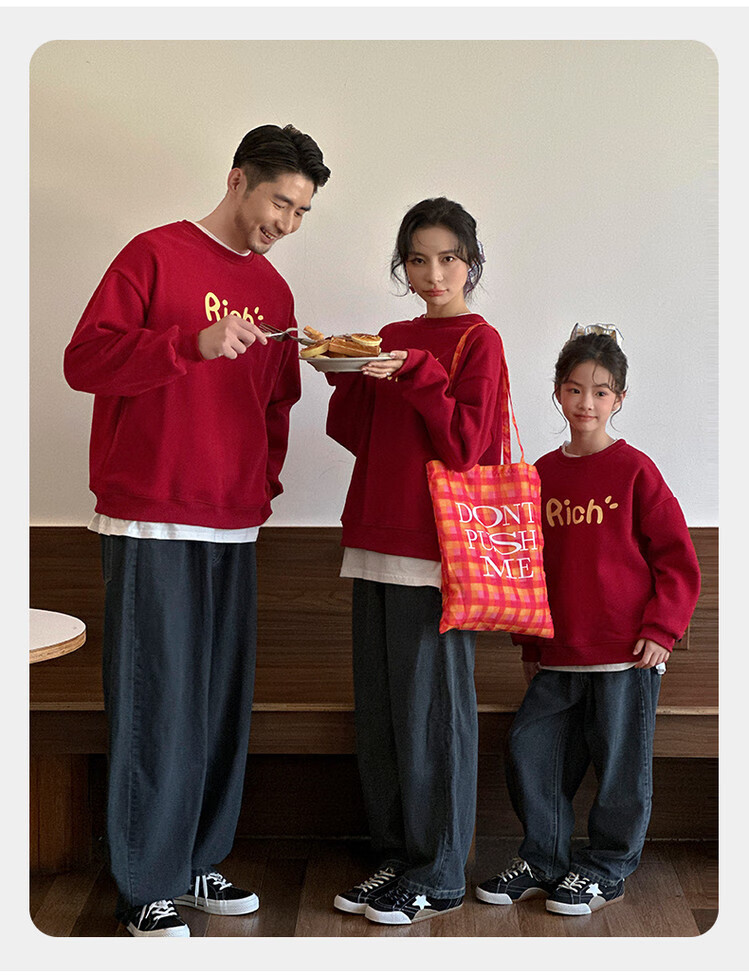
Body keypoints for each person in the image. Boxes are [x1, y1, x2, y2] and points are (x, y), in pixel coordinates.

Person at [63, 124, 330, 937]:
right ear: (238, 179)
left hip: (232, 524)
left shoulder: (275, 293)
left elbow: (276, 405)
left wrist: (259, 488)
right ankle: (144, 883)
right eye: (280, 202)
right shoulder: (152, 255)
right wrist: (190, 343)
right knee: (156, 700)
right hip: (148, 517)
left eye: (302, 211)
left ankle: (195, 861)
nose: (286, 223)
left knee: (217, 705)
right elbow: (84, 362)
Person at [324, 197, 507, 925]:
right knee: (381, 715)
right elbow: (355, 435)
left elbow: (467, 447)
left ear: (471, 262)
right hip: (372, 537)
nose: (433, 273)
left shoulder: (478, 342)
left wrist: (421, 374)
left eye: (448, 258)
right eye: (418, 259)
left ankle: (440, 873)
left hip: (435, 551)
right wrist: (347, 375)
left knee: (433, 716)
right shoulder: (392, 336)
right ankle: (399, 857)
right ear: (403, 266)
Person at [475, 327, 701, 915]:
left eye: (601, 392)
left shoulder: (635, 470)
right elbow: (527, 565)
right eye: (575, 389)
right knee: (533, 750)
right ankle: (543, 859)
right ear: (558, 392)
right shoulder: (541, 474)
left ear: (619, 398)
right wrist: (530, 645)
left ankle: (606, 868)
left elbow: (676, 559)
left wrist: (661, 630)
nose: (586, 403)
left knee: (621, 768)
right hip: (559, 652)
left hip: (626, 656)